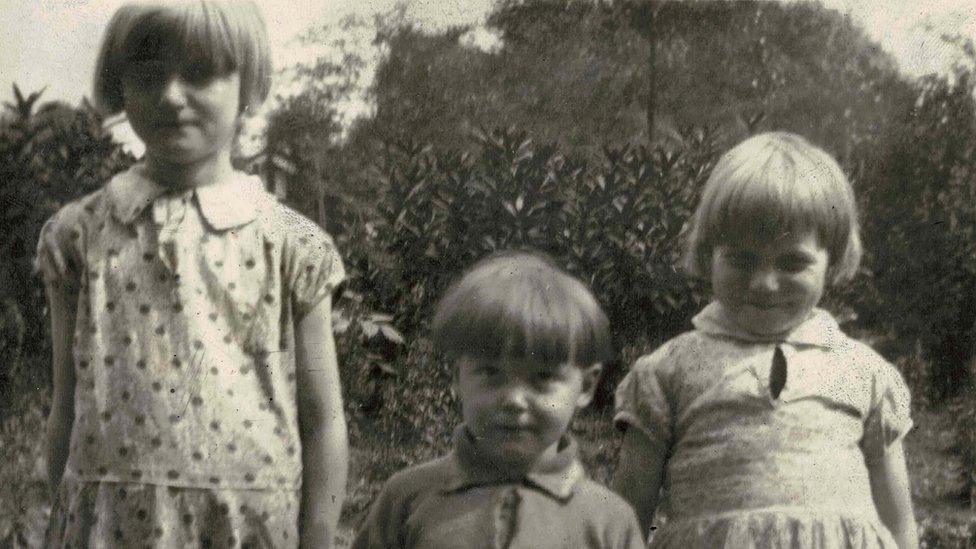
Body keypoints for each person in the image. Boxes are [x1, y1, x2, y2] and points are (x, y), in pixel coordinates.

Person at [36, 2, 347, 546]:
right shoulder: (76, 237)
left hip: (245, 525)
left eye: (200, 74)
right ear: (120, 86)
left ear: (248, 86)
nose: (171, 96)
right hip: (110, 523)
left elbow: (324, 421)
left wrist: (319, 535)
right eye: (149, 76)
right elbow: (67, 404)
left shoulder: (292, 244)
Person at [612, 132, 918, 548]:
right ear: (708, 254)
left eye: (793, 263)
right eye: (741, 260)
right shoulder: (667, 372)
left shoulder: (864, 374)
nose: (765, 284)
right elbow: (627, 516)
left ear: (833, 262)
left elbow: (898, 523)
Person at [352, 251, 643, 548]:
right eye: (491, 373)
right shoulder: (408, 498)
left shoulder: (608, 522)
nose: (514, 400)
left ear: (586, 386)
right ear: (457, 377)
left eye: (542, 378)